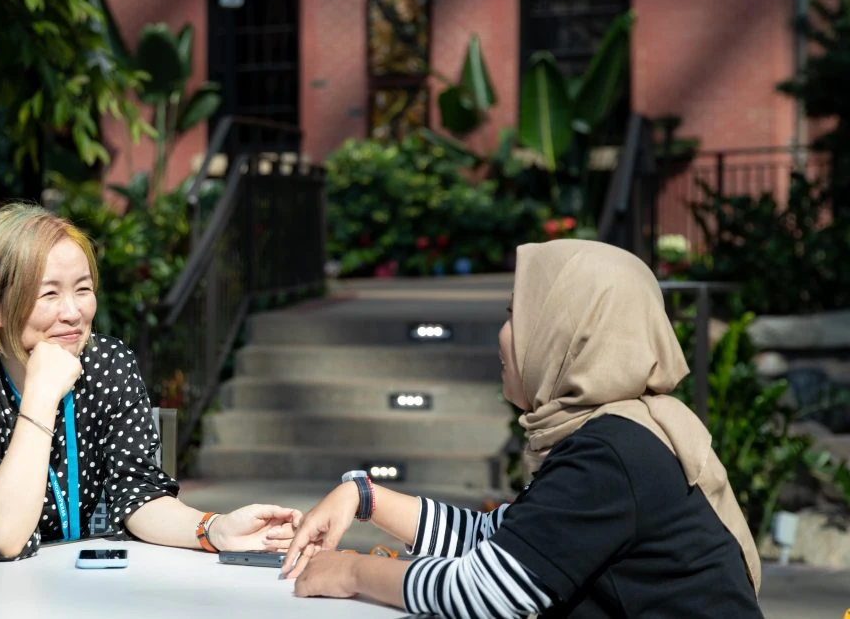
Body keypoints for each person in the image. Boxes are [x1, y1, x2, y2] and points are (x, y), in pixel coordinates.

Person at [282, 239, 763, 618]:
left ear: (564, 333)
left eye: (518, 315)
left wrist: (349, 570)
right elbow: (506, 541)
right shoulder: (622, 431)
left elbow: (486, 591)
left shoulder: (614, 452)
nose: (504, 334)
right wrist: (365, 498)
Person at [0, 202, 299, 564]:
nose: (72, 312)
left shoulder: (108, 364)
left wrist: (216, 529)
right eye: (48, 294)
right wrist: (40, 395)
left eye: (83, 289)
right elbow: (2, 539)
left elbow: (138, 496)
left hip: (62, 587)